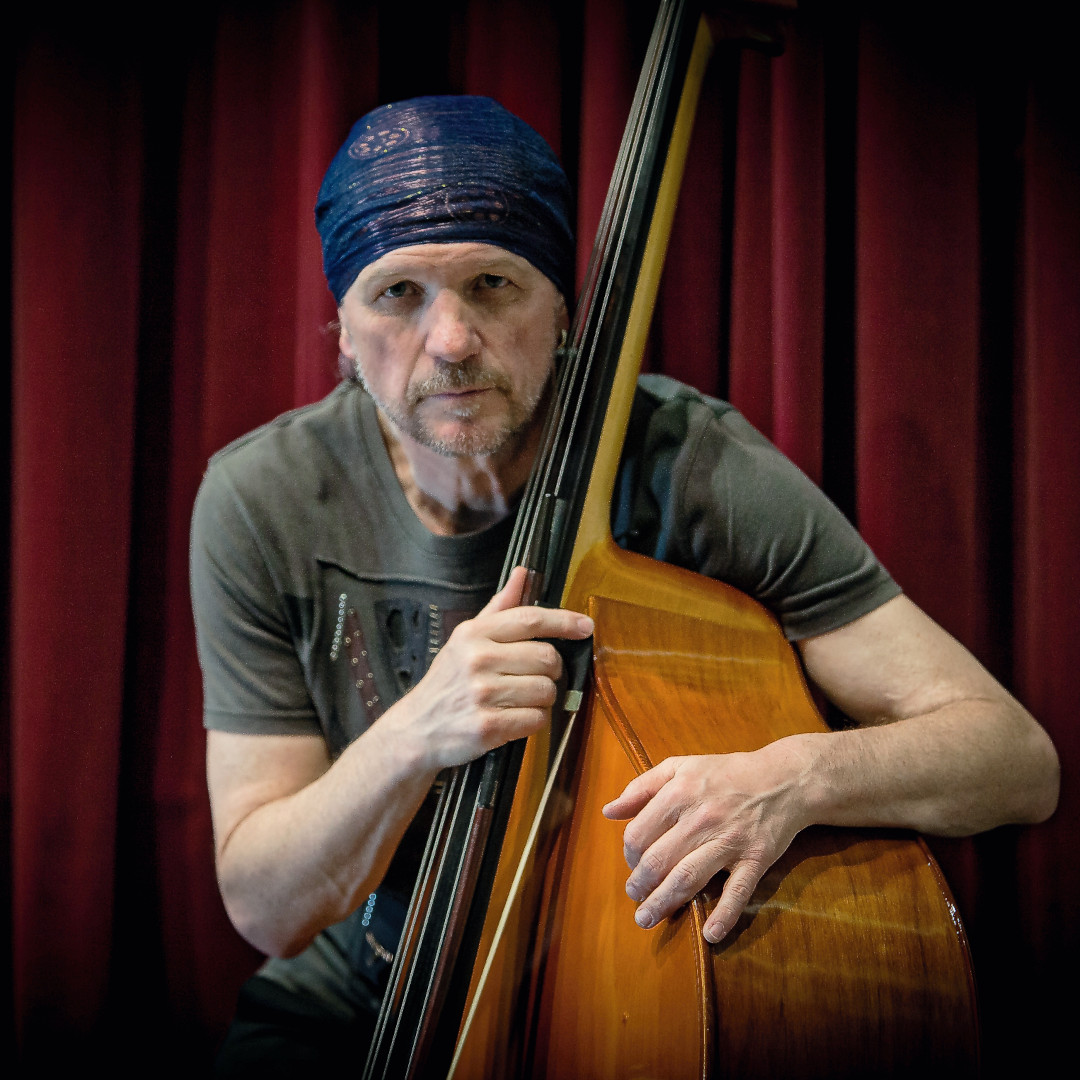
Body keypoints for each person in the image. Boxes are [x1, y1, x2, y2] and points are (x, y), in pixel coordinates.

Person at [190, 95, 1060, 1074]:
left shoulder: (694, 463)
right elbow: (267, 905)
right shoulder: (261, 497)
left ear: (563, 306)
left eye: (493, 284)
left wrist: (794, 779)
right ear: (341, 332)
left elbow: (1013, 758)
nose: (452, 340)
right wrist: (416, 732)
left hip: (616, 994)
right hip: (362, 993)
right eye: (398, 294)